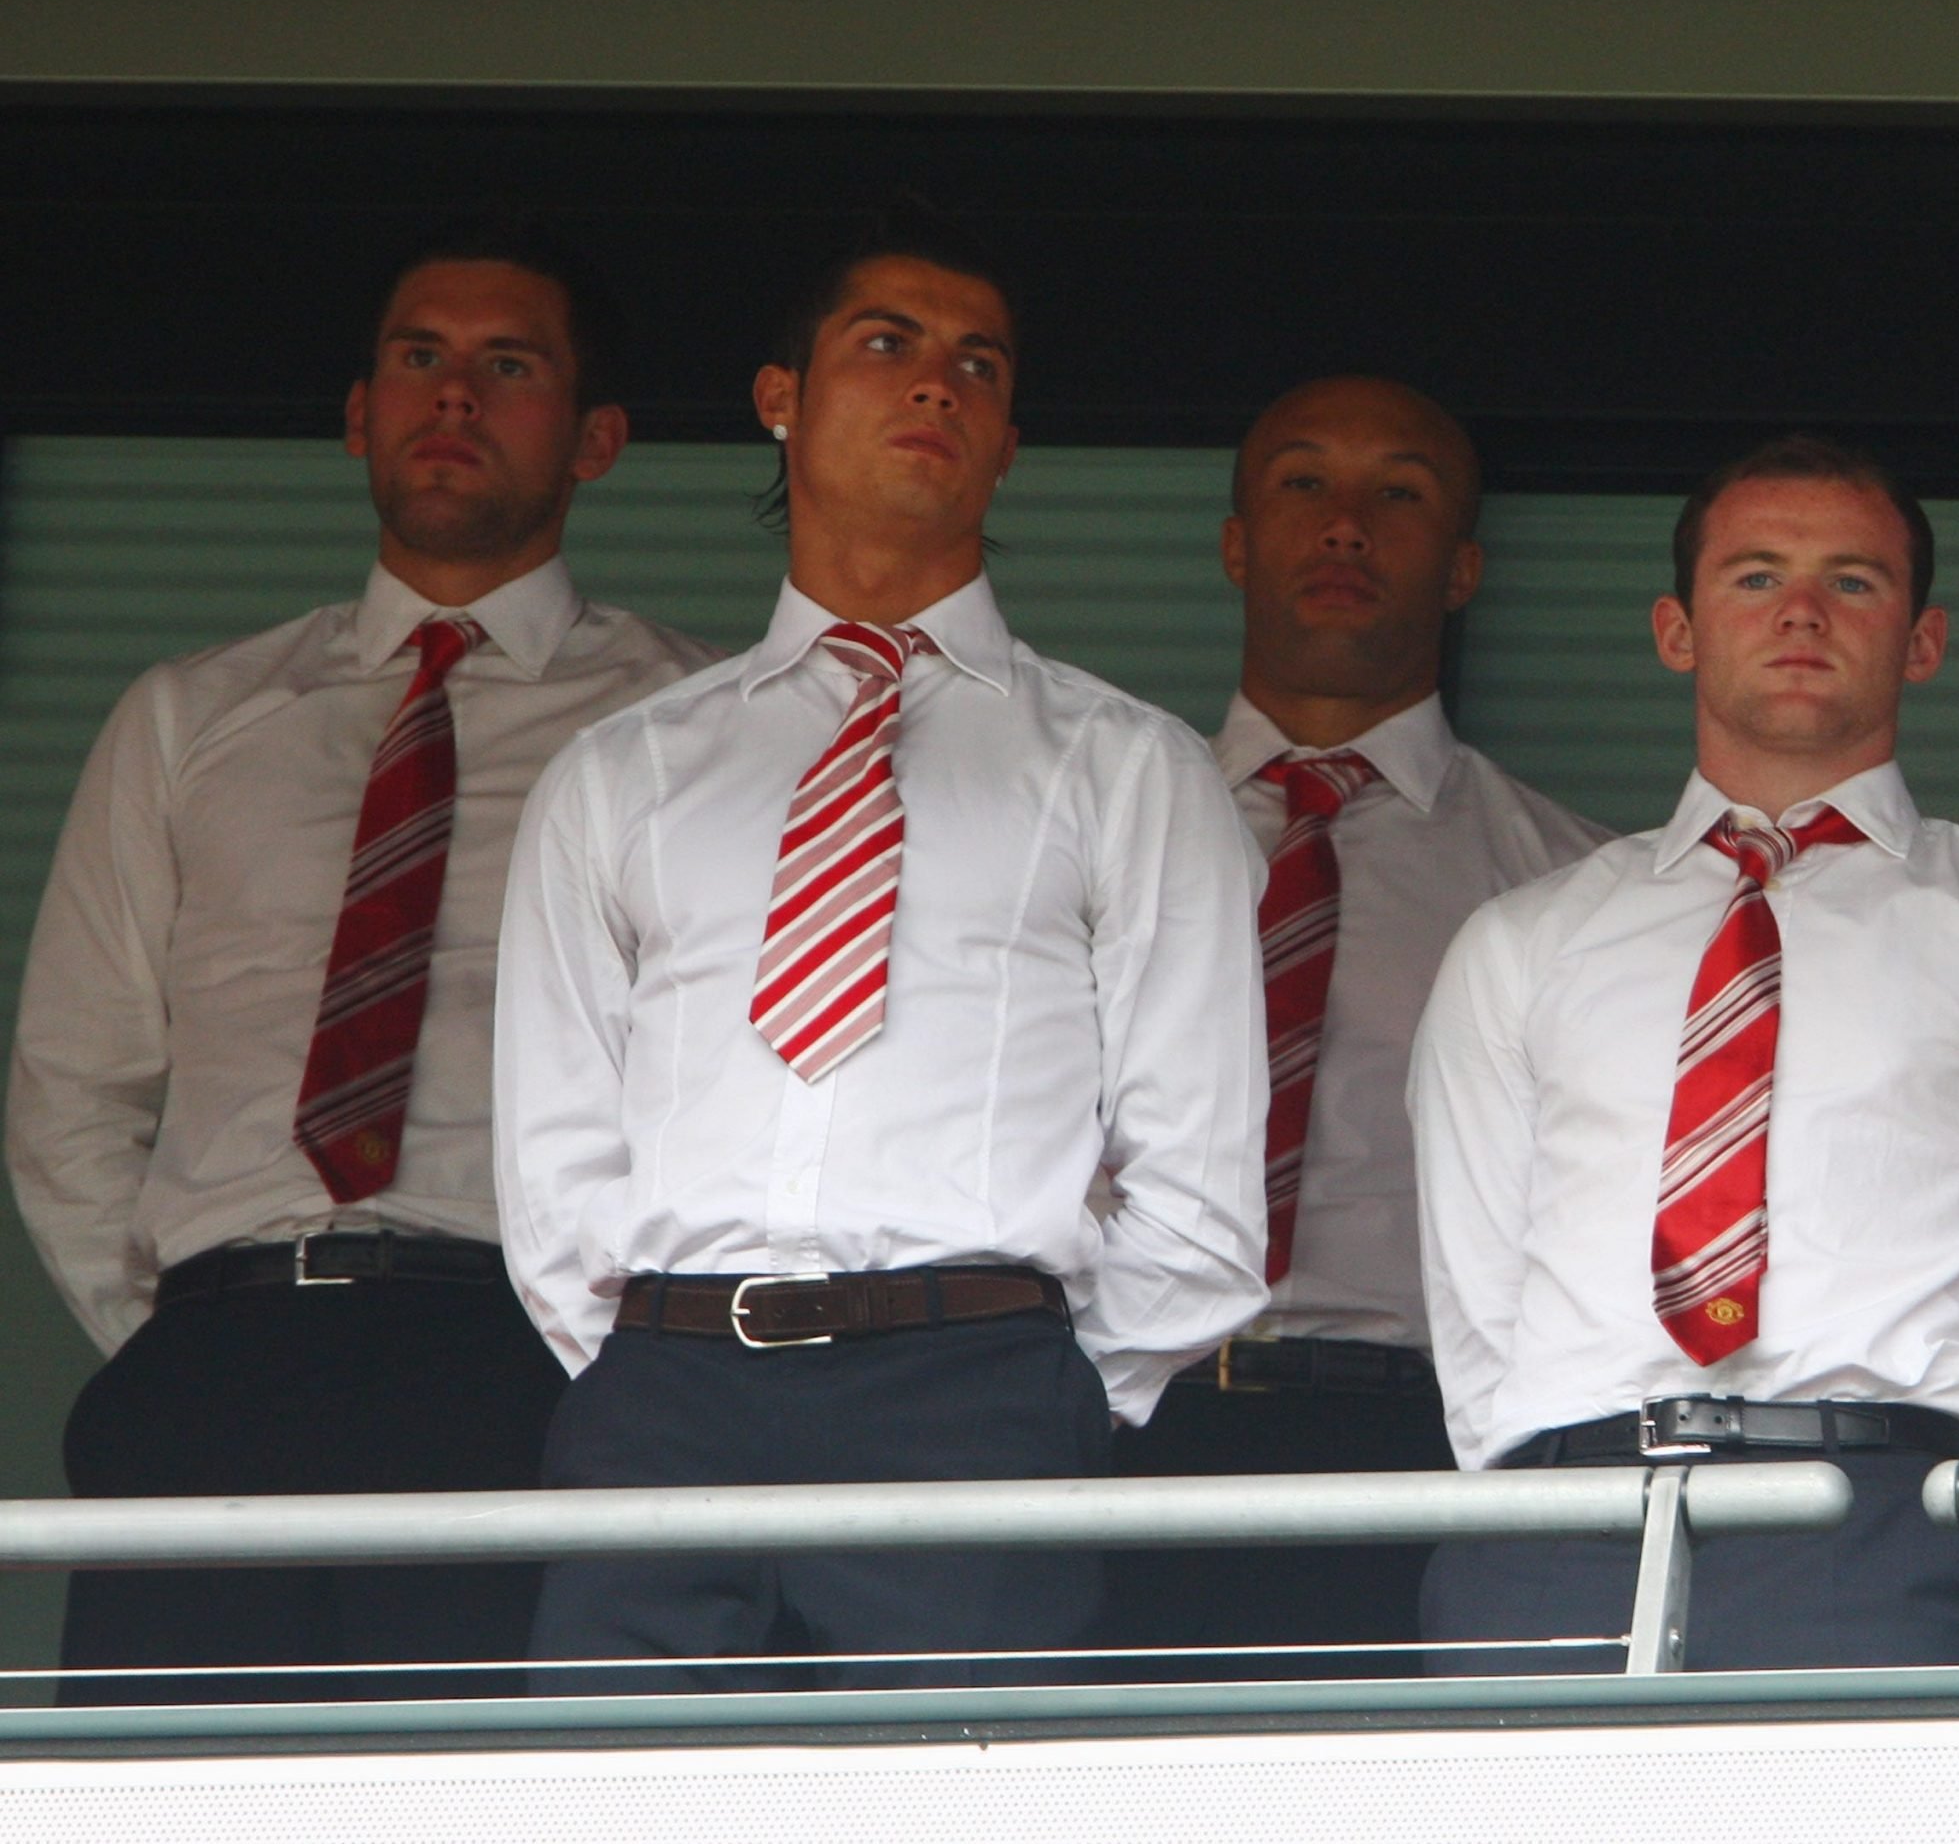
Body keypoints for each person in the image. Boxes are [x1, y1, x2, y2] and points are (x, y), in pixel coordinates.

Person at [494, 208, 1267, 1693]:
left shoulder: (1123, 762)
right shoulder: (627, 766)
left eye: (979, 363)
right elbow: (553, 1154)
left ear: (1009, 442)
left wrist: (1044, 1389)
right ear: (778, 397)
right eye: (887, 344)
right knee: (621, 1798)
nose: (937, 384)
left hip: (973, 1388)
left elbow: (1201, 1182)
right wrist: (652, 1361)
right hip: (664, 1387)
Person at [7, 223, 719, 1703]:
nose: (451, 395)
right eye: (418, 358)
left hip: (520, 1357)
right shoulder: (191, 715)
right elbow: (74, 1080)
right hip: (214, 1362)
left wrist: (618, 1357)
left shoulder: (688, 722)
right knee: (174, 1799)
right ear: (357, 414)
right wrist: (174, 1329)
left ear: (597, 438)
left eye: (506, 365)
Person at [1407, 435, 1959, 1672]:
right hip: (1556, 1526)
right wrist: (1541, 1487)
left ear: (1922, 640)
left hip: (1870, 1523)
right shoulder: (1523, 941)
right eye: (1755, 575)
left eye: (1853, 580)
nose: (1803, 609)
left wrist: (1947, 1535)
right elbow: (1474, 1304)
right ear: (1677, 629)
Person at [1104, 377, 1603, 1677]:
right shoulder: (1091, 830)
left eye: (1400, 492)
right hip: (1116, 1429)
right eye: (1302, 482)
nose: (1344, 523)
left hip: (1425, 1452)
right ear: (1233, 542)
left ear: (1464, 566)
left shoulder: (1573, 886)